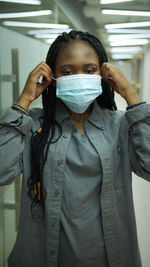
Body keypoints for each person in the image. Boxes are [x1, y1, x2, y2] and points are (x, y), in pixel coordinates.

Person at [0, 30, 150, 267]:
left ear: (103, 74)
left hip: (110, 257)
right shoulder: (34, 126)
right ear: (52, 76)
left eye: (89, 70)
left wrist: (130, 95)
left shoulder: (119, 125)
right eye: (67, 72)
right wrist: (24, 101)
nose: (79, 77)